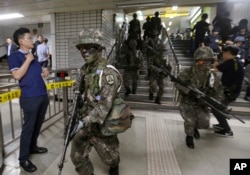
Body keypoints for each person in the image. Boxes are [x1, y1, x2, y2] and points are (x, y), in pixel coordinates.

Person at [70, 29, 132, 175]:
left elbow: (104, 106)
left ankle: (114, 165)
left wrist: (82, 122)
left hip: (102, 124)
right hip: (86, 120)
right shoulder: (84, 70)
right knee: (76, 155)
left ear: (99, 49)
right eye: (81, 48)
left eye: (89, 47)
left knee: (110, 158)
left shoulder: (109, 74)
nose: (84, 51)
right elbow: (78, 91)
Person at [7, 27, 49, 172]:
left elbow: (35, 75)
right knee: (28, 128)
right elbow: (17, 75)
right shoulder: (14, 56)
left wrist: (44, 72)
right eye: (29, 38)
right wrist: (28, 60)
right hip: (30, 97)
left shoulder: (35, 58)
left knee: (37, 125)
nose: (32, 40)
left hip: (42, 95)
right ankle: (23, 159)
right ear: (21, 41)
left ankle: (33, 147)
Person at [175, 46, 224, 149]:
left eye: (207, 61)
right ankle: (189, 136)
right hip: (187, 101)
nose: (204, 63)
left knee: (205, 123)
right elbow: (178, 84)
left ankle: (195, 128)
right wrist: (188, 91)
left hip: (201, 103)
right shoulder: (188, 72)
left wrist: (216, 102)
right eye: (202, 61)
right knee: (190, 121)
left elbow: (218, 90)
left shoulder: (212, 75)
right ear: (196, 60)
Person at [212, 45, 244, 136]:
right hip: (233, 92)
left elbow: (215, 69)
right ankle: (222, 124)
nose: (222, 55)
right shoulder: (237, 62)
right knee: (219, 108)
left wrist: (216, 61)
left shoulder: (230, 63)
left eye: (223, 53)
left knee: (216, 109)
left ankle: (227, 130)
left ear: (228, 53)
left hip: (229, 92)